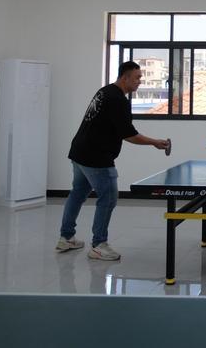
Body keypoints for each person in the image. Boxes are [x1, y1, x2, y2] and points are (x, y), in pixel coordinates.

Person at [55, 61, 169, 260]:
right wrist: (155, 142)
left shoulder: (104, 91)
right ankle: (99, 245)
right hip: (96, 157)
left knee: (78, 193)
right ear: (125, 77)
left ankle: (66, 237)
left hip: (79, 152)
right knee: (108, 198)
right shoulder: (118, 100)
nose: (140, 81)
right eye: (137, 77)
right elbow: (129, 135)